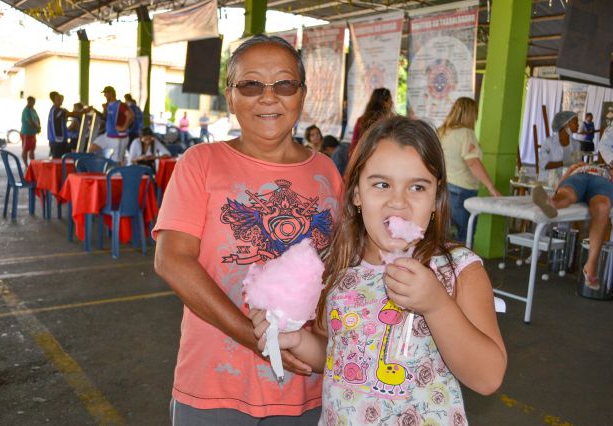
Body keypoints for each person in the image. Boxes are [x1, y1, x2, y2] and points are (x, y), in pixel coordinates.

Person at [251, 116, 507, 424]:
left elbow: (487, 378)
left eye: (417, 187)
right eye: (382, 185)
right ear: (357, 193)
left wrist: (436, 305)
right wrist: (297, 341)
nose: (398, 202)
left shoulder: (459, 270)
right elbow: (334, 353)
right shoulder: (336, 266)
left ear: (436, 197)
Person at [153, 34, 343, 424]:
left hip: (306, 390)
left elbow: (342, 268)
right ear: (230, 95)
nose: (268, 97)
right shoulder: (200, 162)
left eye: (284, 84)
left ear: (302, 94)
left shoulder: (326, 171)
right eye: (251, 85)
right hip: (214, 389)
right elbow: (171, 260)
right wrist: (255, 338)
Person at [532, 161, 613, 290]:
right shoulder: (584, 165)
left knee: (602, 206)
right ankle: (551, 203)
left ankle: (591, 265)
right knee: (566, 194)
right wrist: (570, 171)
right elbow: (559, 187)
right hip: (579, 175)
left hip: (603, 181)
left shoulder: (608, 174)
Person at [438, 97, 501, 243]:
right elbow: (472, 162)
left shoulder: (442, 132)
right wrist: (491, 187)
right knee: (464, 236)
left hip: (443, 188)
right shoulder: (466, 133)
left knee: (444, 235)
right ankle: (463, 259)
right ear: (471, 114)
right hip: (462, 191)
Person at [89, 86, 133, 164]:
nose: (104, 96)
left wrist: (124, 127)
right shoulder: (108, 105)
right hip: (108, 134)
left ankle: (117, 171)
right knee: (93, 147)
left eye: (105, 94)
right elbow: (105, 117)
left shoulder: (120, 105)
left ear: (110, 93)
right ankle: (100, 165)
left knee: (117, 161)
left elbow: (130, 115)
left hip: (118, 136)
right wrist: (101, 110)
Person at [349, 87, 394, 158]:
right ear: (385, 103)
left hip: (362, 159)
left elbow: (353, 147)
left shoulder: (361, 121)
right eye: (390, 100)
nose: (392, 103)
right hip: (382, 158)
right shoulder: (388, 122)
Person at [539, 110, 580, 182]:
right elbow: (544, 164)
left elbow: (577, 164)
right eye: (575, 123)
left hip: (566, 182)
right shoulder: (549, 142)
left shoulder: (576, 144)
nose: (578, 125)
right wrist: (564, 162)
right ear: (566, 124)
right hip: (547, 182)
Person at [47, 91, 69, 159]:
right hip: (56, 141)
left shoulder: (60, 110)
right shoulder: (56, 111)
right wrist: (82, 112)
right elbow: (70, 114)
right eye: (58, 99)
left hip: (61, 140)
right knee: (57, 160)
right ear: (53, 100)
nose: (61, 100)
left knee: (63, 160)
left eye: (61, 99)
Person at [20, 96, 40, 167]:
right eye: (30, 102)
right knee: (25, 149)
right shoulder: (26, 111)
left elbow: (37, 119)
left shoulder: (33, 110)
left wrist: (39, 127)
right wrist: (37, 127)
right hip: (26, 133)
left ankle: (32, 164)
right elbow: (30, 122)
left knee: (32, 149)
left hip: (33, 133)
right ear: (28, 101)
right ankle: (26, 165)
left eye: (33, 102)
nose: (32, 103)